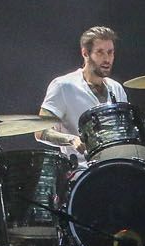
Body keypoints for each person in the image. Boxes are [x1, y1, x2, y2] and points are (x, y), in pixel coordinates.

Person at [36, 26, 127, 157]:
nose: (107, 59)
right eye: (100, 52)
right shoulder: (63, 86)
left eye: (110, 52)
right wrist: (71, 139)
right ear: (85, 53)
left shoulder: (116, 88)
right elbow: (40, 131)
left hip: (116, 164)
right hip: (82, 170)